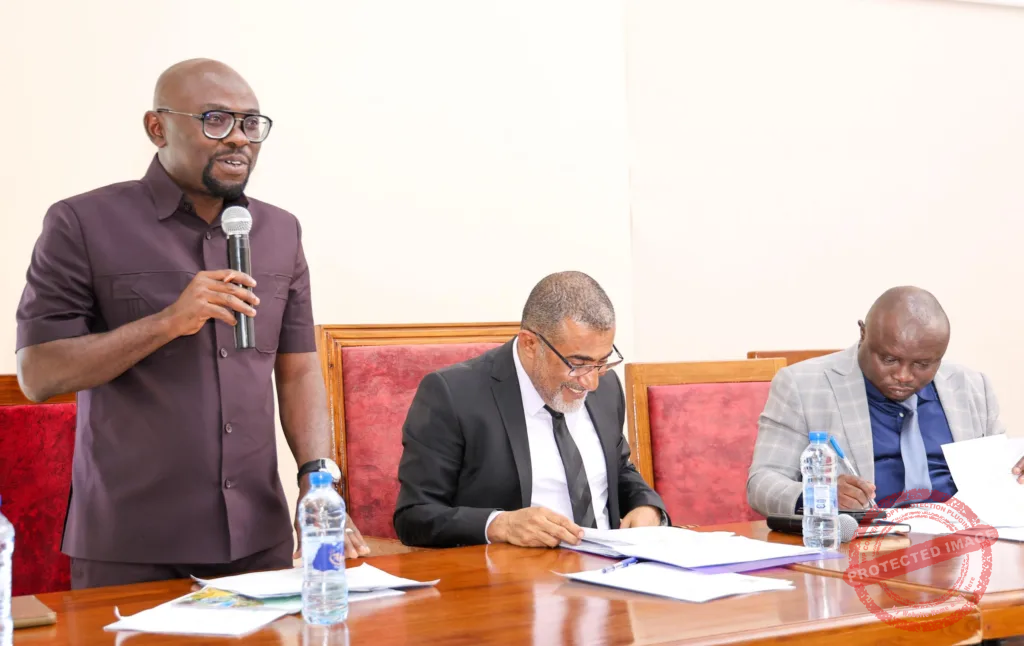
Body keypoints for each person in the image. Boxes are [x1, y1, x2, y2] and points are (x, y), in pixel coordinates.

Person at [15, 58, 367, 589]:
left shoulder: (280, 230)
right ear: (157, 127)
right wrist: (168, 322)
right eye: (215, 120)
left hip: (258, 541)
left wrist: (316, 482)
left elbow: (297, 371)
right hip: (132, 546)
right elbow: (38, 374)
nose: (239, 139)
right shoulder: (81, 223)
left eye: (250, 123)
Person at [393, 271, 669, 548]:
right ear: (530, 344)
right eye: (578, 364)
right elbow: (414, 516)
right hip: (514, 570)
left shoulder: (606, 386)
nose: (592, 382)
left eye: (602, 362)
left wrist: (646, 505)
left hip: (614, 565)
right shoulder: (454, 394)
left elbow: (618, 468)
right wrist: (499, 524)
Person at [747, 286, 1006, 516]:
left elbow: (1000, 476)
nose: (904, 376)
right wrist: (819, 495)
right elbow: (762, 483)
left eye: (922, 364)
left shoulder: (972, 387)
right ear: (863, 333)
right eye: (889, 360)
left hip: (961, 538)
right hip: (867, 544)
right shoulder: (803, 385)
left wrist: (1015, 472)